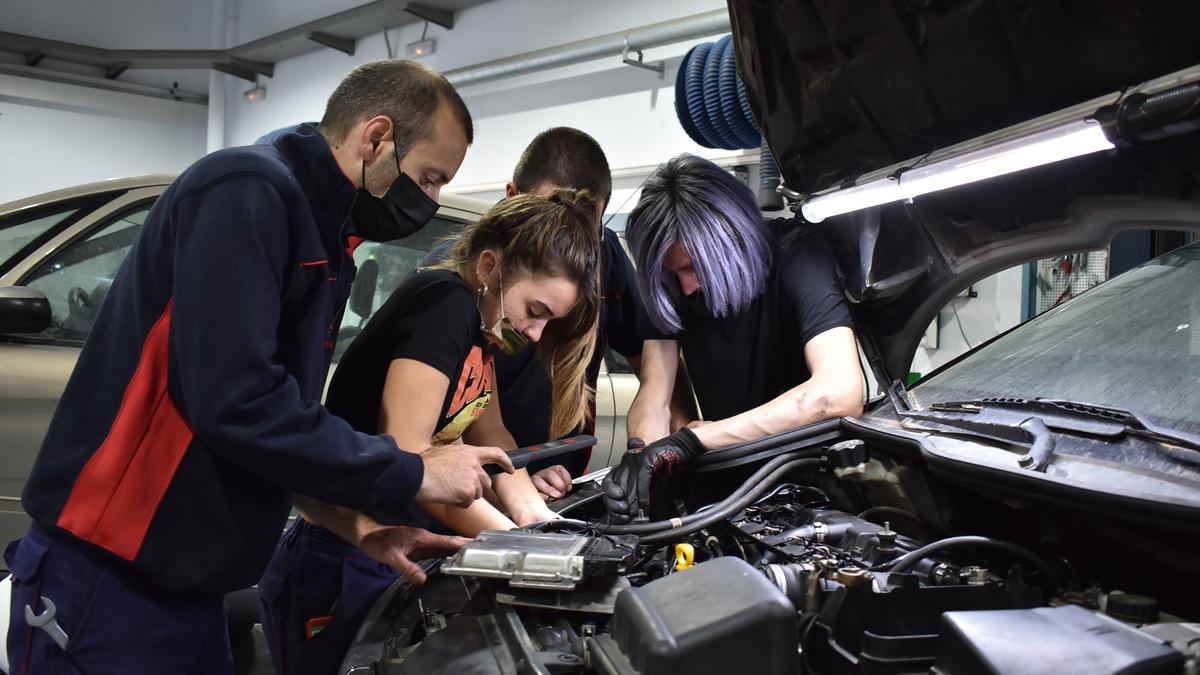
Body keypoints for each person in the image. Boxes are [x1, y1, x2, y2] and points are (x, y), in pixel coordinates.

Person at [4, 59, 515, 675]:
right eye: (429, 179)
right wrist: (411, 473)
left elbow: (277, 428)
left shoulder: (326, 239)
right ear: (376, 137)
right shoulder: (246, 191)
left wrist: (361, 529)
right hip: (110, 582)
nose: (429, 203)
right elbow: (238, 401)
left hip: (192, 595)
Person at [259, 189, 603, 675]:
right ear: (488, 267)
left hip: (394, 553)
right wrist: (521, 544)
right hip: (342, 556)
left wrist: (536, 518)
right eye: (536, 310)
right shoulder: (444, 305)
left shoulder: (482, 333)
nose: (534, 333)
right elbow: (412, 461)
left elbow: (494, 433)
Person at [426, 127, 694, 500]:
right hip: (472, 488)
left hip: (555, 482)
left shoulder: (606, 257)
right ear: (512, 199)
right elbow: (428, 449)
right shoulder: (456, 281)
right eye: (534, 310)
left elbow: (656, 366)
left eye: (587, 231)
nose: (571, 248)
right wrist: (511, 489)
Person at [605, 154, 866, 523]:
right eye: (672, 271)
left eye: (693, 267)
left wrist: (694, 441)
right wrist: (642, 457)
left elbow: (838, 393)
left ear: (733, 237)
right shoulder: (671, 284)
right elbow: (655, 393)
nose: (685, 286)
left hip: (811, 488)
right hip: (725, 488)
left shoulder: (797, 256)